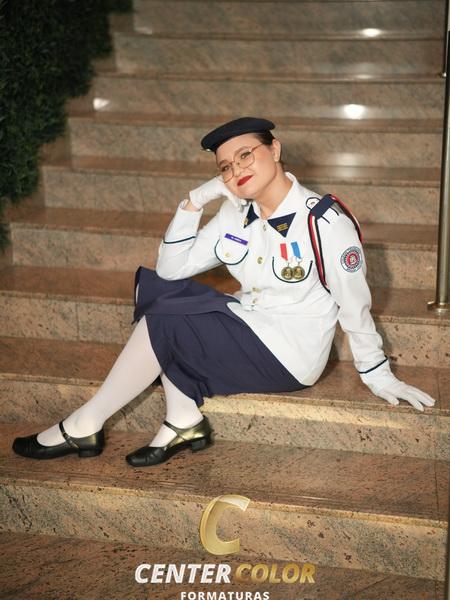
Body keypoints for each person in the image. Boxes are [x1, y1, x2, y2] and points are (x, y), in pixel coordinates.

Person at [12, 116, 435, 467]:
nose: (236, 171)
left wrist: (376, 371)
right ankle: (181, 419)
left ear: (275, 149)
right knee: (160, 290)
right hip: (250, 323)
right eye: (225, 167)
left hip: (290, 352)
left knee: (168, 320)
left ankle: (87, 423)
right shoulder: (236, 216)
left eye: (246, 155)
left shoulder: (323, 222)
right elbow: (171, 269)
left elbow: (354, 303)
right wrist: (194, 202)